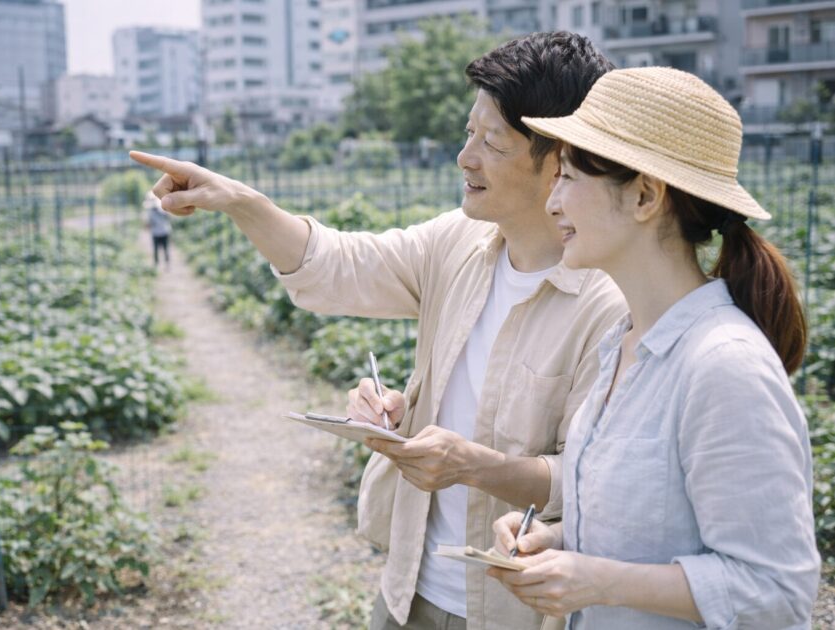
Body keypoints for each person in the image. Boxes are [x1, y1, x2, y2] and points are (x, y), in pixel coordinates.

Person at [130, 32, 626, 629]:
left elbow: (588, 481)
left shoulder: (607, 304)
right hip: (409, 588)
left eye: (491, 142)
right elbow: (337, 264)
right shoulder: (459, 244)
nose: (465, 157)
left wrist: (469, 464)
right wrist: (242, 203)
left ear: (558, 160)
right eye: (469, 133)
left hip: (512, 609)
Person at [486, 67, 821, 629]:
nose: (552, 202)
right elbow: (654, 526)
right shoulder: (623, 343)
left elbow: (775, 588)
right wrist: (557, 540)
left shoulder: (724, 367)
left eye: (568, 176)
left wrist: (597, 579)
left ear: (644, 195)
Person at [145, 190, 171, 269]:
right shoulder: (151, 212)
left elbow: (148, 225)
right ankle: (160, 264)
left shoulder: (161, 209)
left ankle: (165, 264)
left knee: (163, 249)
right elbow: (148, 224)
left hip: (162, 232)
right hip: (160, 232)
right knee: (161, 249)